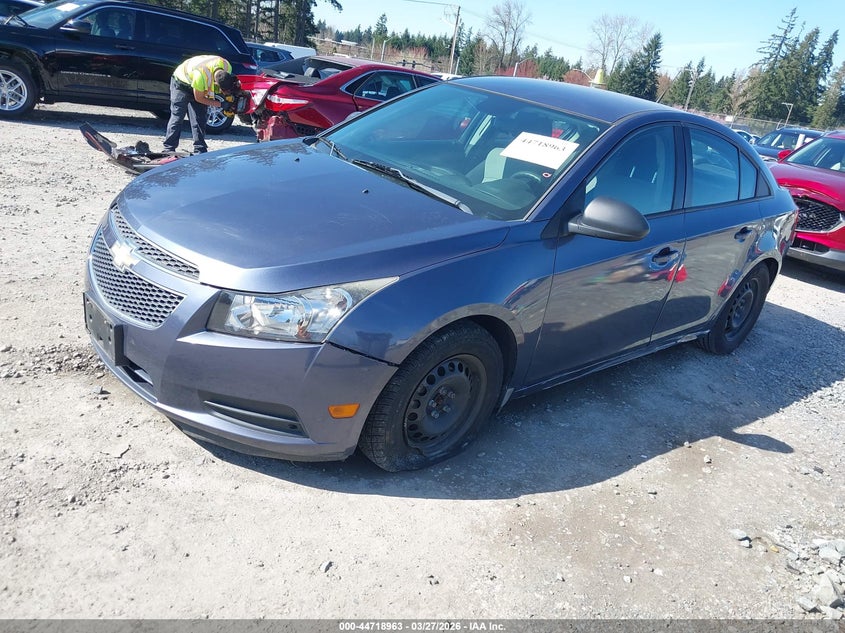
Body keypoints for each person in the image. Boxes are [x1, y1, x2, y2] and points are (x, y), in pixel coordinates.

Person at [163, 55, 237, 154]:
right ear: (215, 83)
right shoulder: (201, 76)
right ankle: (169, 148)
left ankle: (200, 149)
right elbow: (199, 98)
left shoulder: (226, 65)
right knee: (177, 116)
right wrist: (221, 104)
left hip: (198, 80)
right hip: (181, 84)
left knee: (200, 118)